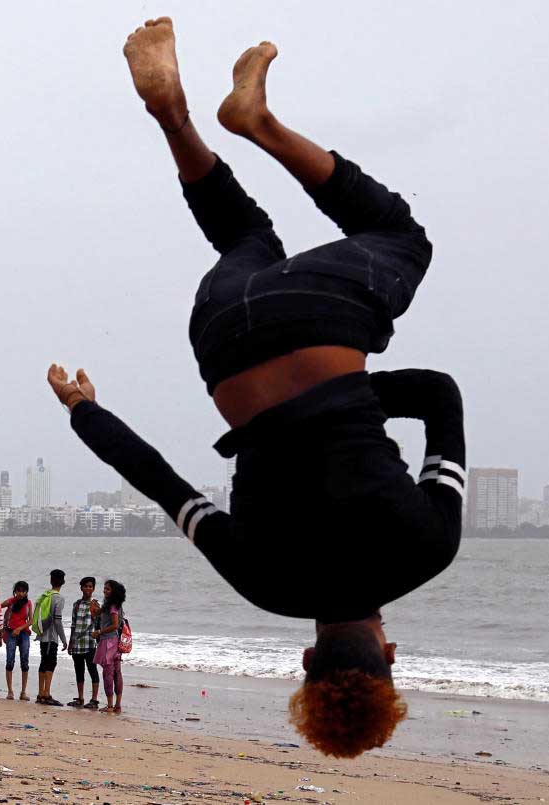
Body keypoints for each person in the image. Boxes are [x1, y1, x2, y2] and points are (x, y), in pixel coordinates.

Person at [46, 18, 465, 758]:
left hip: (326, 319)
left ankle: (259, 122)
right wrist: (85, 412)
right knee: (246, 242)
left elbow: (439, 394)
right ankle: (173, 118)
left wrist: (351, 394)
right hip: (224, 339)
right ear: (306, 662)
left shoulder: (429, 548)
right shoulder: (262, 585)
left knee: (402, 236)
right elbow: (162, 482)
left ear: (390, 656)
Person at [34, 569, 68, 706]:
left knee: (43, 662)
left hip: (42, 635)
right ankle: (46, 694)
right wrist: (64, 639)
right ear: (63, 582)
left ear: (51, 580)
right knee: (50, 663)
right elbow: (58, 621)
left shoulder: (45, 595)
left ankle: (41, 693)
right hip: (51, 637)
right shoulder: (58, 598)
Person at [91, 580, 126, 714]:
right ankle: (117, 705)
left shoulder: (112, 606)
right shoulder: (114, 605)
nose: (105, 591)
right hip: (115, 641)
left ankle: (110, 705)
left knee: (108, 673)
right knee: (117, 673)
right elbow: (98, 614)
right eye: (104, 589)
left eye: (108, 589)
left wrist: (99, 632)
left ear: (114, 591)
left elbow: (115, 624)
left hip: (108, 642)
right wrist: (95, 608)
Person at [67, 576, 100, 709]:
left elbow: (99, 624)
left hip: (90, 643)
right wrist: (70, 643)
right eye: (86, 586)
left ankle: (94, 699)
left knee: (92, 670)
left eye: (90, 586)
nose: (88, 588)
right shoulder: (76, 604)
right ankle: (80, 698)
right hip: (77, 643)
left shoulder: (96, 605)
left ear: (93, 588)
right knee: (79, 671)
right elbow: (74, 625)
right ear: (81, 588)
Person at [0, 581, 33, 701]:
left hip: (23, 633)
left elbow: (31, 621)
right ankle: (10, 691)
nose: (21, 593)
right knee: (10, 661)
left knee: (24, 661)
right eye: (18, 590)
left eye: (23, 591)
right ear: (15, 591)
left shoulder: (28, 603)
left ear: (26, 592)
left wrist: (19, 628)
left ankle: (23, 692)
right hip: (10, 633)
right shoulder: (11, 601)